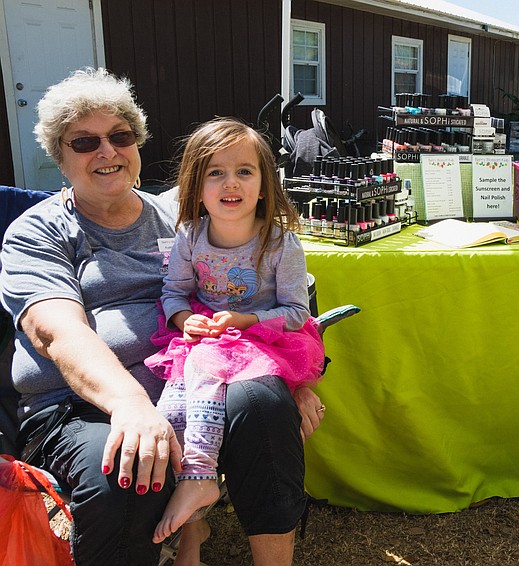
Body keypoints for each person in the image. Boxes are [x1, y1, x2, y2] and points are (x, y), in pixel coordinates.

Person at [0, 68, 325, 566]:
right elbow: (55, 331)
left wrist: (292, 383)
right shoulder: (40, 231)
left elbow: (250, 298)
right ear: (59, 157)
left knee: (263, 406)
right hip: (78, 404)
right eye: (84, 142)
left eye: (120, 136)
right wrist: (130, 404)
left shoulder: (182, 220)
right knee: (126, 470)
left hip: (196, 379)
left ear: (137, 142)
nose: (106, 151)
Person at [144, 117, 326, 546]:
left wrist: (247, 320)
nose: (231, 183)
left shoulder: (281, 243)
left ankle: (202, 474)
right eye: (216, 172)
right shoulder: (190, 235)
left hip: (268, 340)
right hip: (206, 336)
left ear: (264, 185)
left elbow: (298, 311)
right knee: (169, 413)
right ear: (196, 185)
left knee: (207, 369)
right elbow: (174, 292)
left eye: (244, 171)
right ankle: (193, 530)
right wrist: (182, 319)